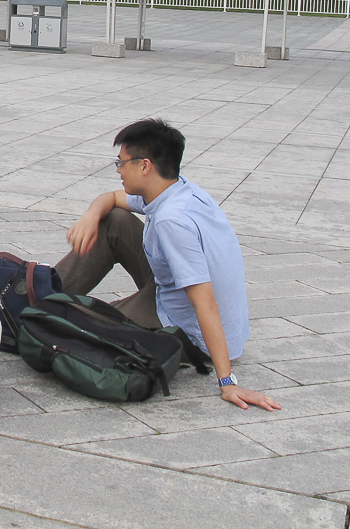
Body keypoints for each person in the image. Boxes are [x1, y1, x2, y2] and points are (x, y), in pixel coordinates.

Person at [58, 118, 281, 411]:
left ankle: (37, 309)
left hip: (188, 329)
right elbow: (111, 198)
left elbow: (204, 302)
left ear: (145, 166)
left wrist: (227, 381)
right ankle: (44, 291)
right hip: (172, 290)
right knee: (114, 219)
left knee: (72, 324)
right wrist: (90, 215)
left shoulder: (171, 221)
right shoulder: (178, 189)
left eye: (121, 162)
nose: (118, 170)